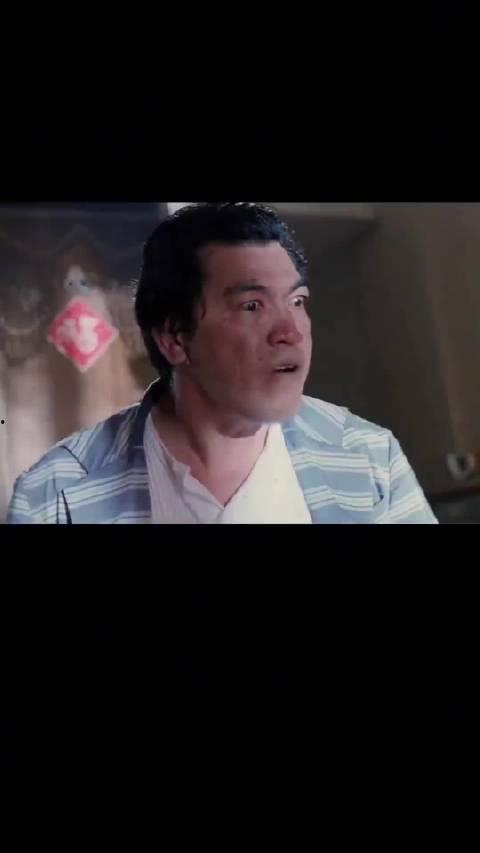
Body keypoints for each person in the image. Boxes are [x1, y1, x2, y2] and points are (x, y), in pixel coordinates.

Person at [6, 203, 437, 524]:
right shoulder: (54, 493)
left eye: (297, 301)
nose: (291, 331)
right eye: (252, 306)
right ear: (175, 338)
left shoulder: (368, 458)